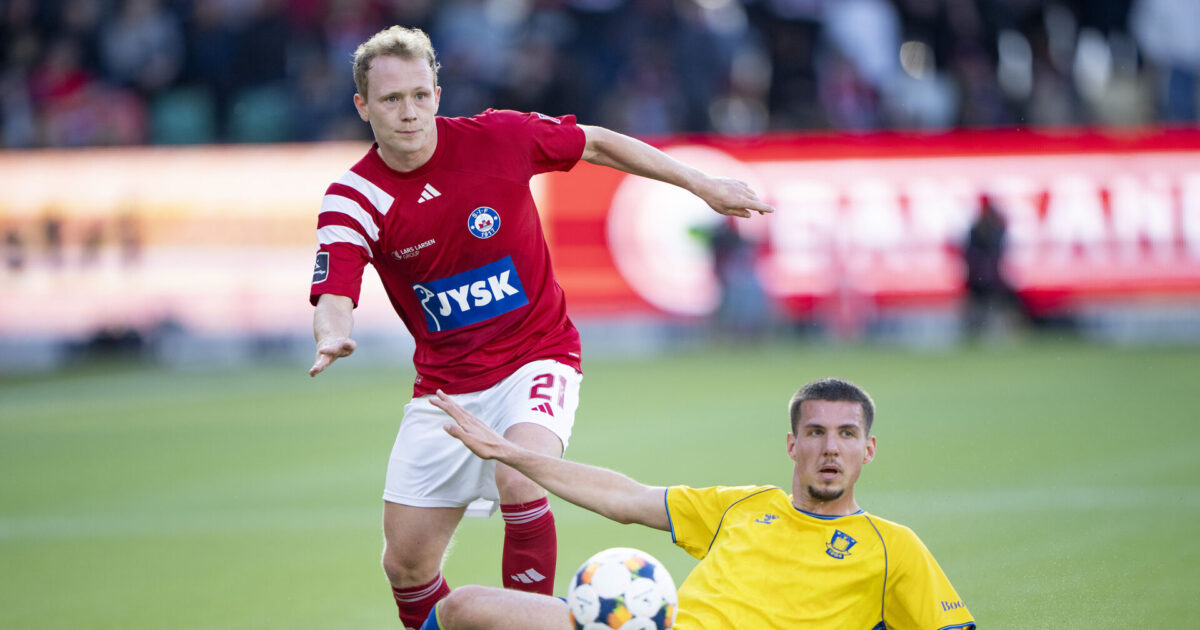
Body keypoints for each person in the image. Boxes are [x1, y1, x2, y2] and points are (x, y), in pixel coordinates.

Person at [307, 25, 774, 629]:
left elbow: (598, 144)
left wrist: (701, 183)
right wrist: (330, 334)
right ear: (362, 106)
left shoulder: (499, 137)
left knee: (519, 472)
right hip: (445, 390)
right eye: (392, 100)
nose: (409, 112)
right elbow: (335, 290)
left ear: (438, 94)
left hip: (537, 358)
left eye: (420, 95)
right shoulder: (353, 196)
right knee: (406, 564)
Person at [421, 377, 976, 630]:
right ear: (792, 444)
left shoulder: (893, 547)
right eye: (816, 432)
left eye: (847, 434)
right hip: (653, 626)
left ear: (868, 450)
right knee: (463, 607)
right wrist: (511, 454)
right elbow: (626, 497)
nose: (831, 448)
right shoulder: (744, 505)